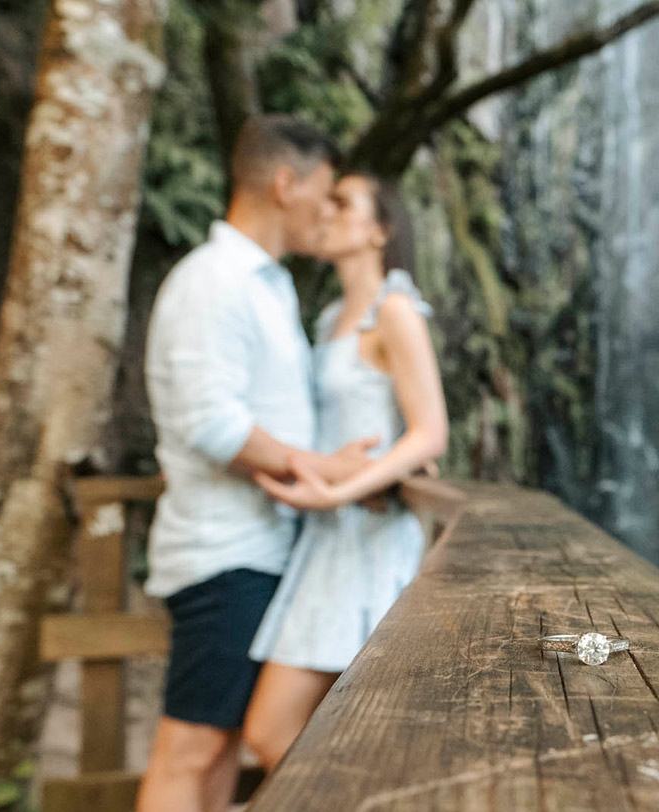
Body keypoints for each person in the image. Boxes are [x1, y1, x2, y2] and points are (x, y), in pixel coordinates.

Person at [137, 116, 378, 812]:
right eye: (325, 194)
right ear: (284, 184)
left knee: (218, 748)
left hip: (262, 550)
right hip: (223, 552)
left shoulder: (266, 287)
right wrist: (326, 470)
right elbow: (213, 425)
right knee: (191, 748)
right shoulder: (214, 281)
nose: (328, 212)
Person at [241, 171, 449, 769]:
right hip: (328, 536)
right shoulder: (332, 314)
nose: (326, 212)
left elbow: (429, 431)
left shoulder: (395, 309)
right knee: (302, 736)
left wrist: (344, 490)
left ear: (380, 229)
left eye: (344, 203)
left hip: (371, 534)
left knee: (301, 733)